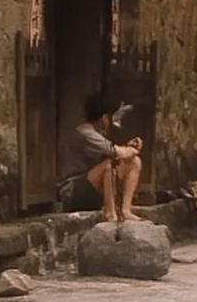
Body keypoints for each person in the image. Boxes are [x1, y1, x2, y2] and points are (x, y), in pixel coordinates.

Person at [58, 94, 144, 222]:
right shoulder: (85, 133)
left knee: (134, 162)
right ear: (104, 118)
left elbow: (117, 152)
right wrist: (133, 149)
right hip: (72, 191)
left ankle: (126, 210)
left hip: (91, 187)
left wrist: (129, 149)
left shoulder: (98, 133)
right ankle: (111, 214)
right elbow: (114, 151)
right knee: (107, 166)